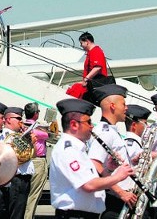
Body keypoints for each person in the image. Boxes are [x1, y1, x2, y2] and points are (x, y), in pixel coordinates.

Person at [50, 98, 134, 219]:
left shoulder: (78, 149)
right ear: (74, 124)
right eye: (88, 122)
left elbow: (91, 180)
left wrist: (109, 169)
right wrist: (118, 176)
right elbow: (89, 185)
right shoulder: (68, 150)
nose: (91, 126)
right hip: (74, 215)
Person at [87, 85, 137, 219]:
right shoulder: (105, 132)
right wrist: (121, 192)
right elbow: (95, 164)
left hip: (120, 197)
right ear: (113, 106)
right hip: (113, 198)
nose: (126, 108)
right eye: (123, 104)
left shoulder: (112, 131)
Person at [1, 107, 34, 219]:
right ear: (9, 119)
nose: (21, 121)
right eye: (18, 118)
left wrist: (30, 143)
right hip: (15, 179)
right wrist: (28, 142)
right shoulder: (6, 136)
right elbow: (11, 157)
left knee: (19, 213)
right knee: (14, 214)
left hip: (24, 178)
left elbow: (30, 155)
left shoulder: (19, 135)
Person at [23, 102, 48, 219]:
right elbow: (49, 134)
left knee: (25, 193)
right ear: (35, 114)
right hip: (38, 161)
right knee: (34, 194)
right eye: (38, 112)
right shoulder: (36, 129)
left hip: (26, 160)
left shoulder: (23, 125)